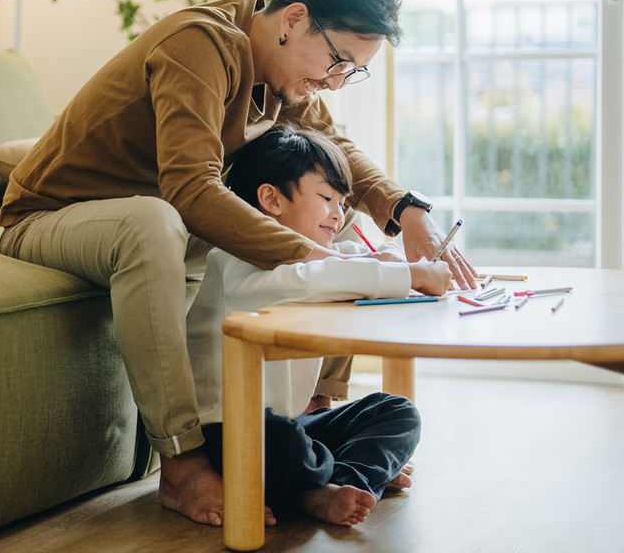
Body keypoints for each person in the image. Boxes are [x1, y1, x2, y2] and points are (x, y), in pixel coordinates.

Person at [0, 0, 477, 526]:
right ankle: (180, 461)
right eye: (338, 60)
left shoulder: (281, 74)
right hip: (52, 217)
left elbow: (337, 155)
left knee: (330, 209)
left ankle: (317, 406)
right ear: (295, 18)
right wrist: (315, 259)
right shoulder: (198, 44)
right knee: (160, 221)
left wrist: (407, 210)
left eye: (353, 69)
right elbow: (189, 188)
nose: (337, 80)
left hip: (154, 220)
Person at [188, 124, 450, 527]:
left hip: (292, 424)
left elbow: (357, 258)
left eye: (343, 202)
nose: (338, 213)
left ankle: (338, 483)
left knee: (398, 412)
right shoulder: (234, 260)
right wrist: (409, 275)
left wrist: (389, 259)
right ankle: (315, 486)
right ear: (271, 199)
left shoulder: (320, 258)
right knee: (283, 441)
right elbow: (313, 279)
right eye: (327, 198)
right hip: (230, 432)